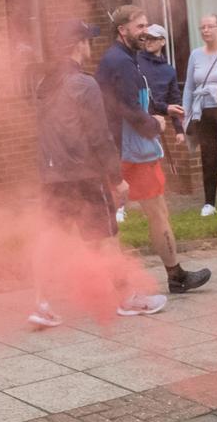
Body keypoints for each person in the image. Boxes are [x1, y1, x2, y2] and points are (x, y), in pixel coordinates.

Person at [29, 20, 167, 326]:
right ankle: (127, 299)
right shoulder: (83, 84)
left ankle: (41, 303)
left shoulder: (44, 84)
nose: (89, 46)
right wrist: (117, 179)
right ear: (80, 45)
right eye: (87, 41)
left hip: (52, 175)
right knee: (106, 237)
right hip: (84, 174)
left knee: (51, 237)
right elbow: (98, 136)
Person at [95, 5, 211, 295]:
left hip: (123, 149)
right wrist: (155, 125)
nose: (145, 32)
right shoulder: (120, 62)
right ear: (123, 30)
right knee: (153, 213)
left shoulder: (126, 58)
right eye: (140, 27)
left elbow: (137, 100)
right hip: (130, 152)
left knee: (111, 217)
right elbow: (128, 109)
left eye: (146, 26)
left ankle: (120, 281)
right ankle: (173, 277)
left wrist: (162, 109)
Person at [181, 15, 217, 216]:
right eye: (202, 27)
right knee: (209, 157)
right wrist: (185, 114)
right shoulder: (195, 55)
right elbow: (189, 86)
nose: (206, 30)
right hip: (203, 112)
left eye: (210, 26)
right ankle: (209, 203)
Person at [139, 24, 186, 143]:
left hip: (156, 124)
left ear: (162, 41)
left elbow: (174, 101)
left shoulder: (169, 71)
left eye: (153, 38)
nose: (148, 42)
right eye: (146, 38)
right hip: (137, 120)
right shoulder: (136, 61)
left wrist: (179, 130)